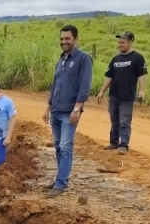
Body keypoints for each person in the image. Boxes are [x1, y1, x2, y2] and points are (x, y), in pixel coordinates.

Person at [42, 24, 93, 197]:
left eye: (67, 39)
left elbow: (84, 86)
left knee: (65, 147)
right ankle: (60, 178)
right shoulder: (61, 59)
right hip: (56, 110)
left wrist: (77, 108)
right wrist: (48, 108)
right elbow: (55, 85)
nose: (64, 42)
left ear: (75, 39)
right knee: (58, 146)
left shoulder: (83, 59)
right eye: (62, 39)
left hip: (69, 112)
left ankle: (61, 184)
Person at [96, 31, 147, 155]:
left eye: (123, 42)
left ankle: (123, 144)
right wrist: (102, 91)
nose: (120, 45)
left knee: (124, 120)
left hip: (127, 96)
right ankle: (114, 142)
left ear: (130, 42)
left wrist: (142, 90)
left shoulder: (137, 58)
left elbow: (142, 75)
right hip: (114, 95)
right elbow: (109, 77)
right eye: (119, 43)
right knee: (114, 119)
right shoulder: (116, 59)